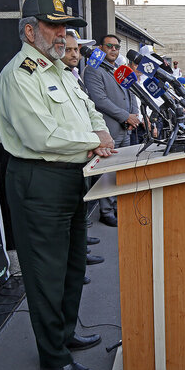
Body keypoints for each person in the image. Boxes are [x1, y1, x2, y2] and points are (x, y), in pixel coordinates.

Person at [0, 0, 116, 370]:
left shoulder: (61, 71)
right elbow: (40, 135)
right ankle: (53, 355)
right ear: (30, 30)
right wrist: (92, 140)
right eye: (54, 26)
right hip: (39, 179)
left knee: (71, 264)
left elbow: (89, 109)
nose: (64, 35)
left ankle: (65, 334)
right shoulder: (21, 74)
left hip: (71, 177)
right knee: (46, 272)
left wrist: (98, 132)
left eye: (66, 27)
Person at [84, 34, 140, 227]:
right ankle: (106, 211)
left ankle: (117, 205)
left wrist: (135, 115)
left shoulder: (119, 69)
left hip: (126, 129)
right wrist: (126, 116)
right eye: (110, 46)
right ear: (101, 47)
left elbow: (132, 93)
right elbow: (100, 101)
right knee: (107, 172)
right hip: (109, 130)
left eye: (117, 47)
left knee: (121, 171)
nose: (114, 50)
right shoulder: (93, 70)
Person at [60, 31, 104, 272]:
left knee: (79, 211)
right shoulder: (61, 76)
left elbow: (89, 109)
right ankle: (76, 259)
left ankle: (80, 251)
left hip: (84, 152)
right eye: (68, 49)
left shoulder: (74, 75)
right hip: (68, 156)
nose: (75, 54)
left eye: (76, 49)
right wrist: (91, 141)